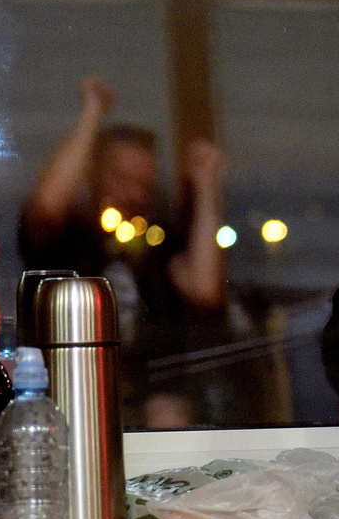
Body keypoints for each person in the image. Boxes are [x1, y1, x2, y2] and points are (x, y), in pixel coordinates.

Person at [19, 76, 228, 426]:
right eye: (121, 179)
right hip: (73, 398)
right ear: (94, 175)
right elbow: (47, 204)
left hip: (152, 404)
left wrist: (206, 184)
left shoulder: (156, 242)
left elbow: (204, 288)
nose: (134, 194)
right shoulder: (71, 237)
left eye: (144, 185)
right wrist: (92, 113)